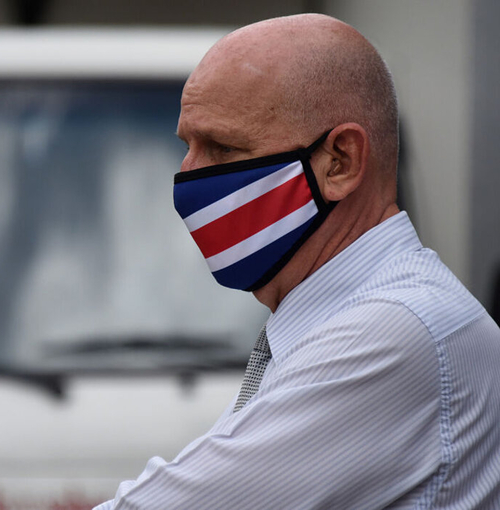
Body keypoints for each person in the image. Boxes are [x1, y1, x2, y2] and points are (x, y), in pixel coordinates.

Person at [94, 13, 500, 510]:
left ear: (341, 162)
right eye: (187, 147)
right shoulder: (346, 319)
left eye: (222, 148)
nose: (187, 181)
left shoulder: (392, 333)